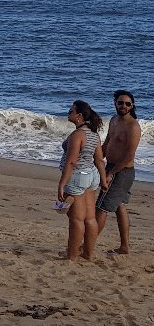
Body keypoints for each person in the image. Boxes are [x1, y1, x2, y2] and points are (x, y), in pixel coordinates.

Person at [57, 100, 107, 261]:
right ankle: (88, 254)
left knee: (76, 219)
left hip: (77, 176)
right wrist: (103, 180)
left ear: (79, 116)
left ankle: (71, 256)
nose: (68, 113)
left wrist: (62, 184)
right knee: (90, 218)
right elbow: (99, 160)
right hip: (91, 175)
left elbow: (71, 161)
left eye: (71, 111)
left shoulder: (78, 135)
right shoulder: (94, 134)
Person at [97, 90, 142, 254]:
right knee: (120, 206)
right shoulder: (114, 120)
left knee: (101, 208)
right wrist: (96, 159)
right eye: (121, 102)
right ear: (115, 103)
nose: (124, 106)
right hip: (110, 167)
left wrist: (111, 173)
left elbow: (129, 156)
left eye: (128, 104)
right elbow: (108, 142)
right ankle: (124, 247)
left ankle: (87, 245)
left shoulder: (133, 127)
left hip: (122, 172)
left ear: (132, 106)